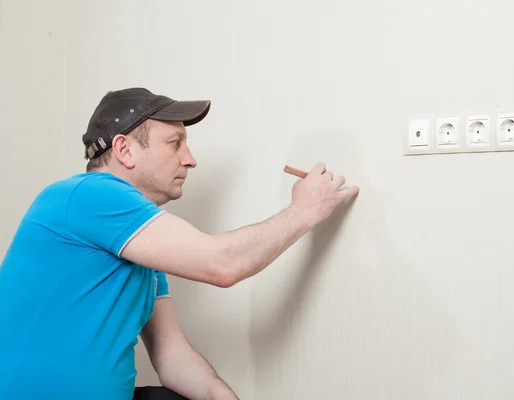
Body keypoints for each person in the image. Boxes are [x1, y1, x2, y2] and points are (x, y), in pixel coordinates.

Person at [0, 87, 360, 400]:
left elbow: (172, 355)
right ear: (124, 150)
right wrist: (304, 210)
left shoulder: (139, 247)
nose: (190, 159)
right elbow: (223, 264)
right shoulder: (88, 195)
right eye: (175, 144)